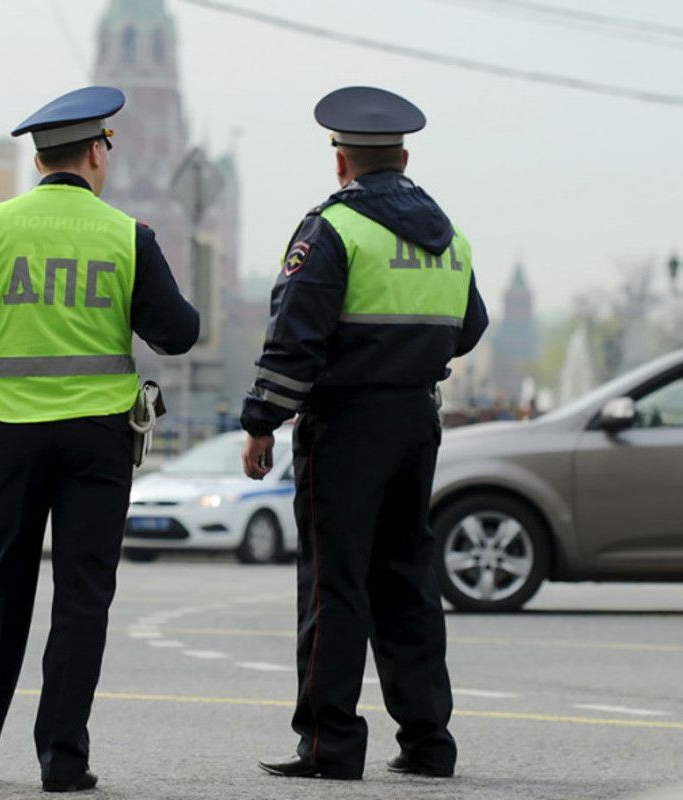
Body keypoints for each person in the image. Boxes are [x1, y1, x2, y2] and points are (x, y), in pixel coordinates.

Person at [0, 85, 199, 793]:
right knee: (81, 598)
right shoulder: (127, 235)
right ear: (97, 153)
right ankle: (63, 761)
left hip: (11, 436)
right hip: (98, 445)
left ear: (40, 158)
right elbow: (179, 332)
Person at [241, 86, 488, 781]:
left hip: (346, 423)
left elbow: (295, 337)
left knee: (334, 581)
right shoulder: (451, 235)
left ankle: (330, 744)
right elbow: (471, 327)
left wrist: (261, 420)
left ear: (342, 163)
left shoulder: (334, 230)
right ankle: (428, 743)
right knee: (407, 577)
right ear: (404, 158)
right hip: (418, 420)